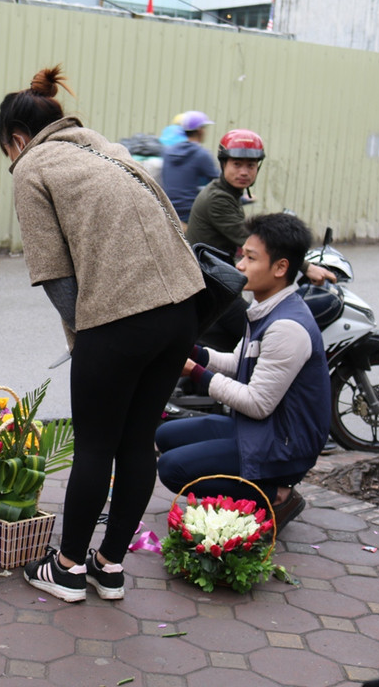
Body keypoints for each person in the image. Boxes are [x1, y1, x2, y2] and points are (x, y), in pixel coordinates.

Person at [0, 66, 205, 603]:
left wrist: (83, 336)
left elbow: (55, 276)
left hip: (119, 319)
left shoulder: (33, 167)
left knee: (94, 445)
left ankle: (65, 569)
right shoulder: (106, 149)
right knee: (137, 442)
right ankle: (108, 566)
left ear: (16, 139)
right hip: (183, 309)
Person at [155, 212, 332, 535]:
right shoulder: (266, 306)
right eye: (242, 255)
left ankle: (275, 495)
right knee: (165, 436)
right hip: (262, 429)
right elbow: (237, 362)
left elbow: (257, 403)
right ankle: (256, 485)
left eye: (251, 258)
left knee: (172, 469)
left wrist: (195, 372)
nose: (240, 265)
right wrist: (192, 350)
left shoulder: (287, 326)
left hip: (282, 443)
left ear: (280, 268)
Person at [186, 129, 335, 350]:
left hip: (218, 279)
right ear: (224, 164)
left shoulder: (228, 194)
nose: (244, 172)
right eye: (237, 164)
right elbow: (254, 241)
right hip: (213, 286)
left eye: (251, 165)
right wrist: (306, 267)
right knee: (259, 338)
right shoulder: (218, 199)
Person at [160, 110, 218, 224]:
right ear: (200, 130)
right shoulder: (201, 154)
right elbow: (218, 181)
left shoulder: (167, 152)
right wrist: (242, 199)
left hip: (168, 209)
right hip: (190, 212)